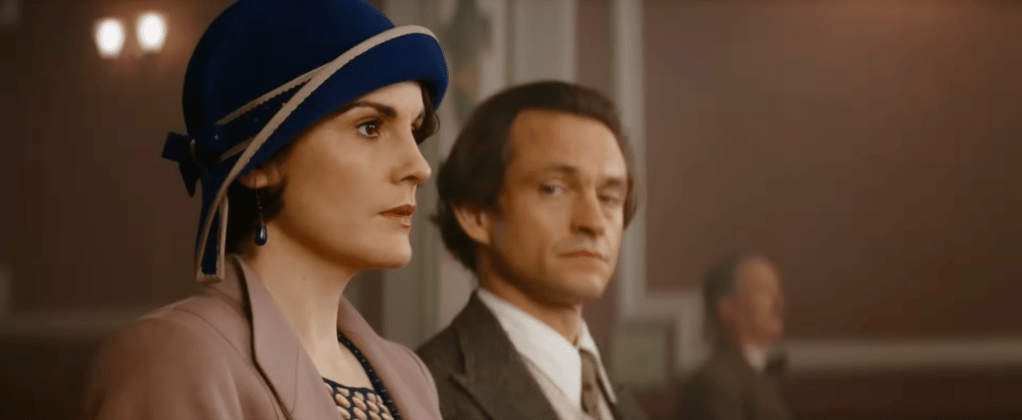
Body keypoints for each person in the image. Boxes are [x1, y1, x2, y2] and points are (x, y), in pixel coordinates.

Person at [81, 0, 448, 419]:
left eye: (414, 130)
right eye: (370, 127)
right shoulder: (173, 359)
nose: (419, 167)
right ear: (257, 163)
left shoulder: (410, 375)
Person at [417, 81, 648, 420]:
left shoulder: (618, 398)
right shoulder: (421, 393)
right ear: (476, 214)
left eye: (610, 197)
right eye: (554, 189)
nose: (594, 222)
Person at [677, 253, 794, 420]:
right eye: (764, 291)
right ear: (727, 309)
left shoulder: (769, 378)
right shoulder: (711, 386)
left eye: (778, 291)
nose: (779, 303)